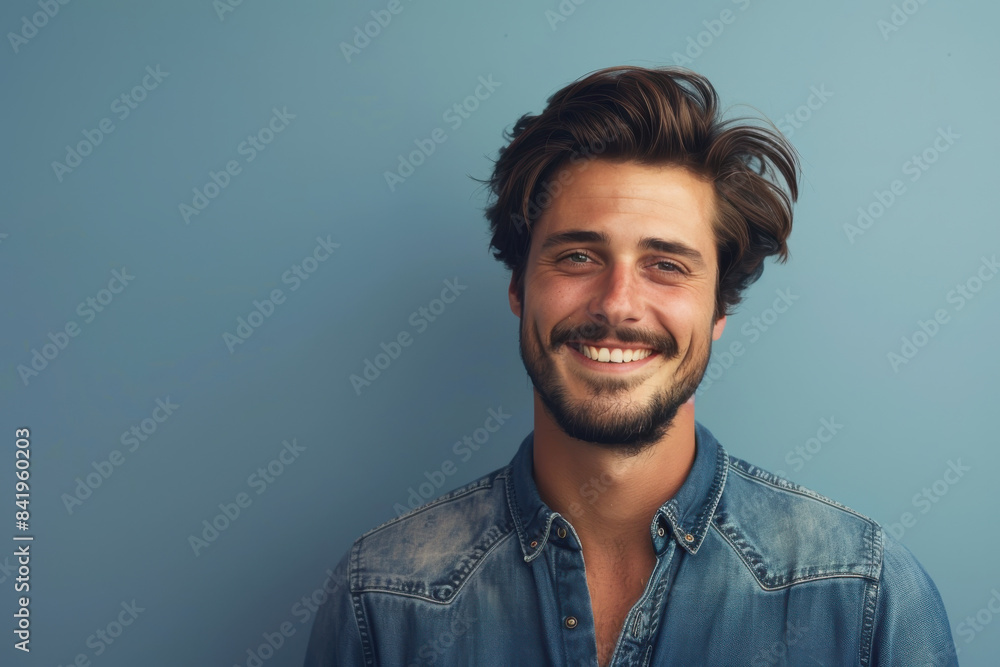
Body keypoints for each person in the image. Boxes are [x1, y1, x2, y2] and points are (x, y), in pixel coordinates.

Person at [304, 65, 957, 666]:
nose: (618, 304)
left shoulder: (865, 594)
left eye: (666, 265)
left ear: (717, 310)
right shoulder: (382, 599)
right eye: (578, 257)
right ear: (517, 288)